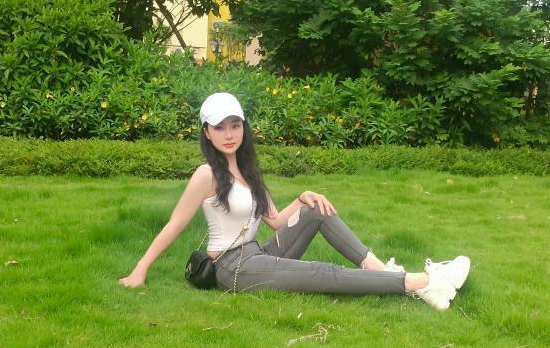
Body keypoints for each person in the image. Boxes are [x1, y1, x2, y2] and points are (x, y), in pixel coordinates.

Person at [119, 92, 470, 309]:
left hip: (257, 252)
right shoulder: (206, 174)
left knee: (316, 208)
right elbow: (175, 224)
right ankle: (422, 284)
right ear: (207, 133)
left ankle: (382, 271)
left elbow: (274, 220)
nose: (229, 134)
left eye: (235, 125)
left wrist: (302, 198)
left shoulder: (247, 169)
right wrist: (140, 270)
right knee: (322, 273)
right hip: (233, 268)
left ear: (244, 128)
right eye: (220, 127)